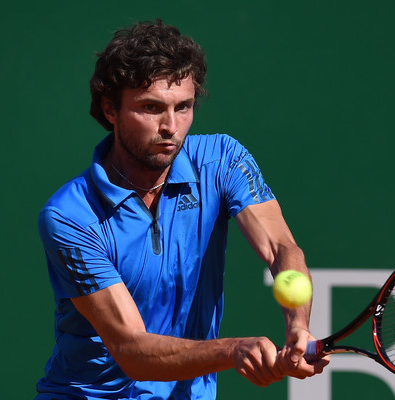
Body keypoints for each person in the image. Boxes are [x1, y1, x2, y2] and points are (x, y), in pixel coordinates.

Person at [35, 19, 329, 400]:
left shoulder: (221, 160)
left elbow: (281, 248)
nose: (171, 127)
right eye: (151, 108)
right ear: (111, 109)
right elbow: (132, 349)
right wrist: (233, 350)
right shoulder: (70, 216)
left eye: (184, 107)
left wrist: (297, 325)